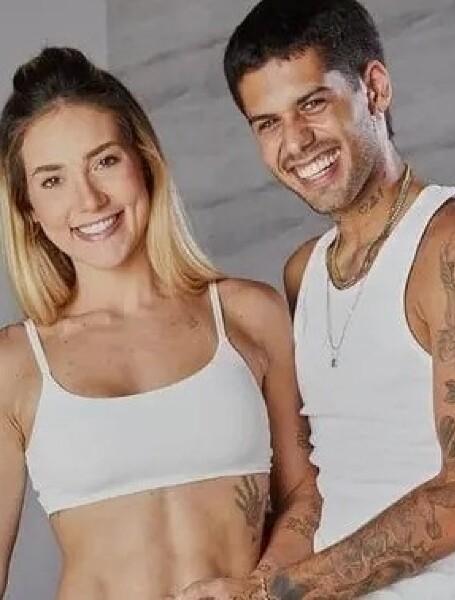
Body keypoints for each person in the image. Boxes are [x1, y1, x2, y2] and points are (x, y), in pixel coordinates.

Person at [179, 1, 455, 599]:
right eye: (267, 123)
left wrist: (274, 593)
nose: (295, 142)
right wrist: (254, 585)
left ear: (374, 88)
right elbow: (322, 485)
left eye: (312, 104)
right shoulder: (304, 272)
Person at [0, 47, 320, 600]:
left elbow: (307, 495)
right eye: (52, 181)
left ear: (143, 161)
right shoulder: (15, 365)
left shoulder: (249, 315)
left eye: (105, 161)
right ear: (28, 207)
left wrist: (259, 588)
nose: (89, 199)